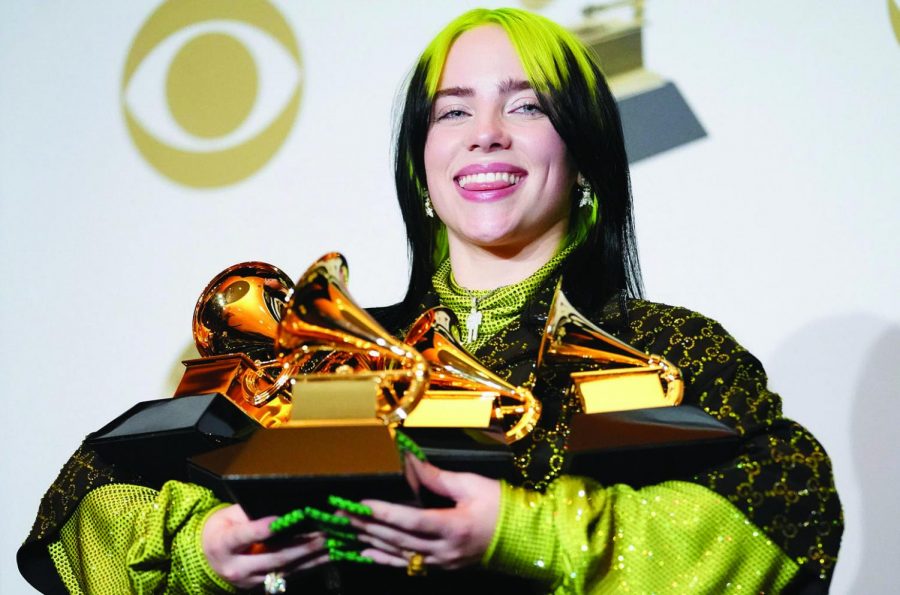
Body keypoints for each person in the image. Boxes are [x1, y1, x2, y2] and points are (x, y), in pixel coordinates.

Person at [18, 8, 842, 594]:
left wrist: (519, 532)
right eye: (454, 111)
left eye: (527, 104)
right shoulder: (319, 353)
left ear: (586, 156)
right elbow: (76, 512)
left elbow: (785, 516)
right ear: (421, 168)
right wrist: (203, 549)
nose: (487, 132)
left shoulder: (670, 349)